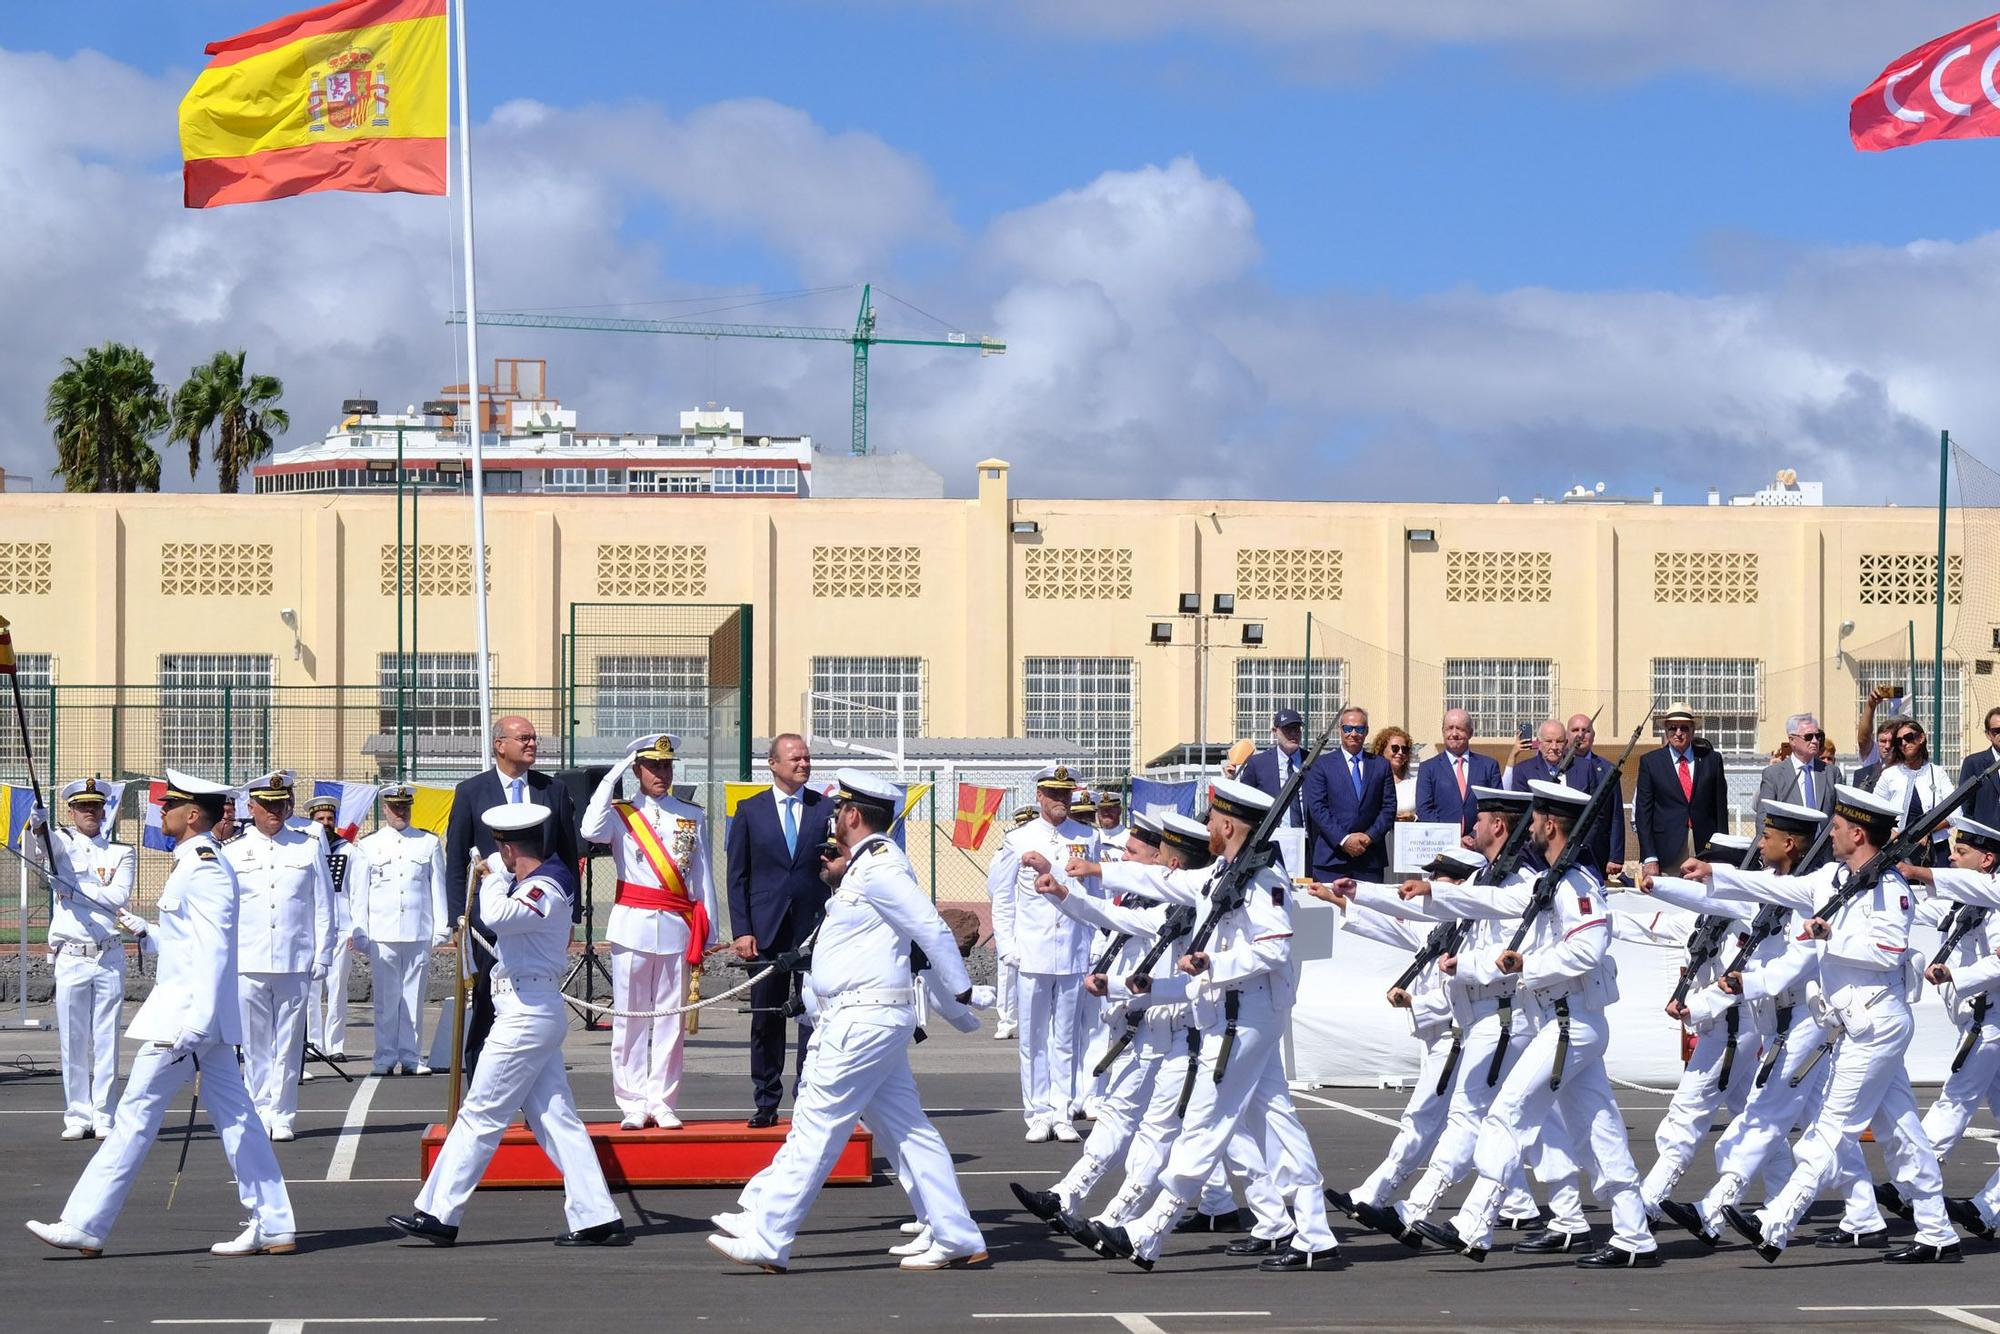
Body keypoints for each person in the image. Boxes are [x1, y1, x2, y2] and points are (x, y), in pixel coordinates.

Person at [708, 769, 987, 1273]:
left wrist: (962, 989)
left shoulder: (880, 867)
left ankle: (770, 1235)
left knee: (817, 1126)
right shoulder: (863, 868)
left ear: (853, 815)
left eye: (838, 810)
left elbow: (930, 927)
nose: (833, 817)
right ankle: (955, 1233)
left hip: (863, 1021)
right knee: (910, 1132)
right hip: (862, 1017)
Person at [27, 769, 297, 1259]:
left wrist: (196, 1021)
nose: (161, 812)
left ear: (192, 815)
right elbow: (190, 943)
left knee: (134, 1117)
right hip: (198, 1017)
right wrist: (149, 931)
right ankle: (275, 1223)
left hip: (186, 1020)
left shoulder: (205, 865)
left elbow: (216, 949)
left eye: (169, 805)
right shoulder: (193, 862)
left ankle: (84, 1223)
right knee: (238, 1119)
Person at [1090, 778, 1341, 1272]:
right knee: (1276, 1122)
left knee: (1206, 1122)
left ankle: (1149, 1231)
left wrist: (1212, 965)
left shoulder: (1263, 880)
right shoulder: (1223, 873)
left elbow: (1275, 949)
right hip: (1233, 1014)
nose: (1205, 826)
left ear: (1227, 825)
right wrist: (1098, 869)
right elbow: (1165, 882)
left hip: (1244, 1016)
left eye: (1210, 819)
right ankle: (1315, 1233)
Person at [1702, 784, 1961, 1264]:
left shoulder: (1889, 890)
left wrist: (1830, 935)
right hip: (1860, 1024)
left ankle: (1775, 1222)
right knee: (1902, 1132)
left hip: (1876, 1023)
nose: (1831, 834)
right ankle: (1936, 1228)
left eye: (1838, 828)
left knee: (1833, 1127)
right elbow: (1775, 887)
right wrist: (1713, 873)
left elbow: (1886, 953)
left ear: (1857, 833)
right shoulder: (1833, 878)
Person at [1412, 780, 1657, 1269]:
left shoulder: (1578, 884)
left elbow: (1589, 949)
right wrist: (1435, 894)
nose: (1530, 829)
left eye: (1537, 820)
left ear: (1550, 824)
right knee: (1600, 1131)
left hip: (1570, 1023)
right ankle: (1635, 1235)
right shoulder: (1550, 880)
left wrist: (1527, 964)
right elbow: (1494, 903)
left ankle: (1473, 1225)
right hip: (1560, 1021)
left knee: (1507, 1115)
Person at [389, 803, 630, 1248]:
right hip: (526, 1006)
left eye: (500, 849)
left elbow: (496, 917)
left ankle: (439, 1212)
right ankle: (597, 1215)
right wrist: (497, 874)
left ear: (507, 847)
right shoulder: (540, 882)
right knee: (557, 1121)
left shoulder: (544, 887)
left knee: (480, 1115)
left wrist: (492, 874)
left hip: (525, 1014)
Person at [580, 732, 716, 1131]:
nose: (661, 772)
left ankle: (663, 1100)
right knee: (631, 1019)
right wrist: (612, 777)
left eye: (667, 765)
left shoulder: (690, 814)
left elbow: (702, 877)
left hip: (676, 925)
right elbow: (589, 829)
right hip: (633, 926)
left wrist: (707, 931)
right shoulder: (620, 815)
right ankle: (632, 1101)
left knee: (671, 1019)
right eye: (653, 765)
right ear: (637, 770)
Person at [442, 716, 580, 1081]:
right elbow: (456, 859)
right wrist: (457, 919)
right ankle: (481, 1082)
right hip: (488, 920)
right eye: (524, 738)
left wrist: (571, 916)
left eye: (534, 738)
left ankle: (528, 1084)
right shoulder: (471, 791)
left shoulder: (553, 790)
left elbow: (567, 855)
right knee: (488, 1003)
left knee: (532, 1004)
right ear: (499, 744)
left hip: (536, 917)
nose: (532, 743)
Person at [987, 765, 1100, 1141]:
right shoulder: (1018, 838)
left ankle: (1063, 1109)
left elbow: (1093, 898)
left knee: (1067, 1036)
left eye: (1066, 794)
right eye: (1053, 794)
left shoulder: (1087, 837)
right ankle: (1037, 1111)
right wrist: (1008, 947)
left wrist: (1095, 945)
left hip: (1073, 948)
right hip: (1032, 949)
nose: (1061, 801)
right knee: (1033, 1036)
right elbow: (1002, 898)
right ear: (1039, 796)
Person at [725, 732, 828, 1129]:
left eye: (806, 758)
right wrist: (742, 930)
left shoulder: (825, 809)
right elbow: (738, 876)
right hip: (765, 933)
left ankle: (808, 1096)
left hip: (812, 933)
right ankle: (766, 1100)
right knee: (766, 1019)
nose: (803, 764)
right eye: (795, 759)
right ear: (773, 764)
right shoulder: (750, 811)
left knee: (811, 1016)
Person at [225, 770, 333, 1142]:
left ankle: (283, 1113)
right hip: (248, 959)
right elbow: (227, 911)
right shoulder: (233, 851)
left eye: (281, 805)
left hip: (294, 958)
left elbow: (323, 904)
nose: (275, 812)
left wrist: (323, 954)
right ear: (251, 807)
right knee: (254, 1045)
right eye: (267, 806)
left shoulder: (307, 845)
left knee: (289, 1042)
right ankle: (258, 1108)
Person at [26, 778, 136, 1139]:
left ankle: (104, 1112)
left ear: (104, 810)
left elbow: (117, 896)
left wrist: (71, 887)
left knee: (106, 1037)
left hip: (108, 955)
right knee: (73, 1038)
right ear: (71, 812)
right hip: (71, 955)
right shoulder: (62, 844)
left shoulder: (121, 851)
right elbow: (38, 845)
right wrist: (37, 821)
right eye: (82, 807)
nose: (90, 812)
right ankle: (77, 1113)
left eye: (96, 806)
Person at [353, 783, 450, 1076]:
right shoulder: (369, 845)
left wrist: (442, 926)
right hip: (382, 932)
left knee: (413, 996)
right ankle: (384, 1056)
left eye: (405, 807)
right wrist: (360, 931)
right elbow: (360, 893)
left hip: (417, 930)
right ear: (384, 809)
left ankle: (411, 1056)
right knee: (386, 999)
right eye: (395, 807)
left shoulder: (427, 843)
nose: (400, 812)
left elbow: (437, 887)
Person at [1512, 715, 1627, 881]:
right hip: (1538, 858)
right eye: (1548, 741)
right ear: (1539, 743)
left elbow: (1595, 814)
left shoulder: (1585, 768)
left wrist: (1579, 845)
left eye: (1559, 741)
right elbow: (1522, 815)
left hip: (1580, 856)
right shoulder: (1523, 771)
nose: (1554, 747)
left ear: (1566, 743)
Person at [302, 794, 366, 1067]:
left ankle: (335, 1044)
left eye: (330, 819)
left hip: (341, 929)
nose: (326, 824)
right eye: (320, 819)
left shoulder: (348, 851)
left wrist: (356, 928)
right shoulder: (303, 849)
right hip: (312, 929)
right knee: (311, 991)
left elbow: (357, 893)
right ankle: (314, 1042)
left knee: (338, 987)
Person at [1633, 704, 1727, 878]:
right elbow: (1643, 813)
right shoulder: (1651, 762)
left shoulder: (1711, 760)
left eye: (1684, 728)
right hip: (1666, 850)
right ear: (1666, 731)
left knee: (1704, 902)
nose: (1678, 733)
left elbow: (1720, 810)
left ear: (1692, 730)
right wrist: (1649, 857)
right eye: (1673, 728)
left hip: (1704, 850)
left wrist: (1721, 852)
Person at [1304, 705, 1396, 882]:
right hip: (1332, 860)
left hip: (1370, 859)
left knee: (1368, 911)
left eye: (1359, 729)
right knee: (1328, 909)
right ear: (1340, 730)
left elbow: (1389, 807)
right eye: (1348, 728)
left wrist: (1369, 837)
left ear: (1366, 731)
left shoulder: (1381, 765)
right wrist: (1344, 840)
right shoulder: (1322, 765)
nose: (1353, 733)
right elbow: (1317, 808)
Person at [1872, 718, 1952, 863]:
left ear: (1921, 738)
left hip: (1936, 850)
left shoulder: (1938, 773)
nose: (1904, 743)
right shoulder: (1889, 774)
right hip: (1895, 850)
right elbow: (1874, 812)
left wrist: (1926, 831)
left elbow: (1954, 813)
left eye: (1908, 738)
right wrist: (1895, 837)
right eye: (1899, 741)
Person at [1415, 708, 1500, 837]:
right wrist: (1450, 837)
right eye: (1449, 728)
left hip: (1479, 845)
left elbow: (1496, 807)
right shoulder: (1428, 768)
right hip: (1442, 844)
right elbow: (1424, 810)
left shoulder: (1488, 766)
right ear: (1443, 732)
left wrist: (1473, 836)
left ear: (1470, 733)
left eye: (1460, 729)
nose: (1454, 734)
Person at [1755, 714, 1835, 832]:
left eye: (1817, 736)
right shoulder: (1774, 774)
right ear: (1792, 740)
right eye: (1808, 737)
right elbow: (1763, 818)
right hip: (1788, 847)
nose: (1814, 741)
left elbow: (1839, 817)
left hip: (1824, 848)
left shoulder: (1831, 773)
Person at [1238, 709, 1309, 830]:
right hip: (1272, 838)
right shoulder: (1258, 764)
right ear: (1275, 731)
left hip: (1308, 838)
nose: (1293, 734)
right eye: (1287, 729)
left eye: (1296, 729)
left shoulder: (1313, 762)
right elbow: (1244, 802)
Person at [1959, 706, 2000, 828]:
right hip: (1985, 842)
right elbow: (1966, 807)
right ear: (1988, 735)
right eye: (1996, 731)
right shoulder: (1973, 763)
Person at [1373, 727, 1419, 821]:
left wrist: (1413, 817)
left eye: (1404, 749)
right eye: (1395, 748)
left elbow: (1425, 811)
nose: (1400, 752)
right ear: (1382, 751)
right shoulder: (1372, 781)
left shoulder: (1415, 782)